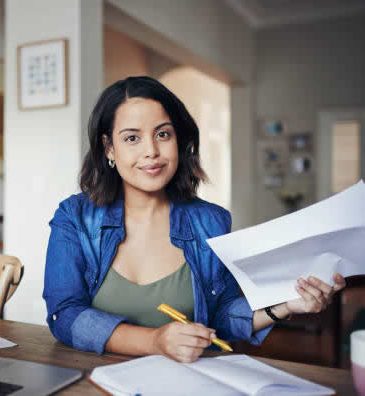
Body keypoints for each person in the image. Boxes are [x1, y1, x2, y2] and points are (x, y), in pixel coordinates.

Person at [42, 76, 346, 363]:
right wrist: (154, 341)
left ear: (179, 140)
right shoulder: (74, 218)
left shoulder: (211, 222)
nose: (151, 151)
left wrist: (284, 305)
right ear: (109, 148)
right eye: (132, 138)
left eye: (163, 134)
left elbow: (222, 317)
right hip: (91, 382)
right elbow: (64, 315)